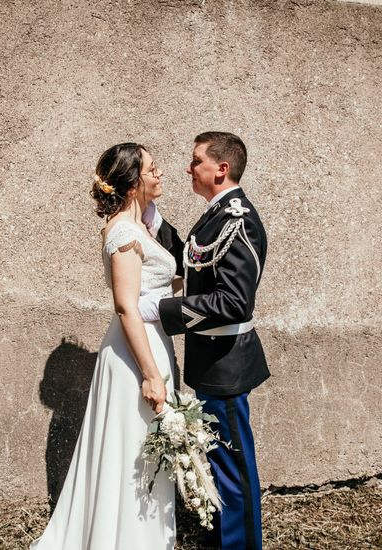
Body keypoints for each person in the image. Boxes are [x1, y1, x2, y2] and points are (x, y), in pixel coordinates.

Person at [31, 143, 177, 549]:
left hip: (149, 342)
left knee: (145, 447)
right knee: (133, 450)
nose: (160, 174)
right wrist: (150, 374)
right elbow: (126, 307)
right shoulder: (125, 233)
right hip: (135, 352)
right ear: (132, 182)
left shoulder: (141, 226)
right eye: (152, 168)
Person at [140, 132, 269, 550]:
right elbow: (196, 261)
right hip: (211, 361)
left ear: (221, 169)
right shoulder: (216, 215)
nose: (188, 168)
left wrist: (164, 311)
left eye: (196, 161)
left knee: (234, 469)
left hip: (227, 363)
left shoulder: (238, 220)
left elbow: (233, 302)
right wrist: (156, 223)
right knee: (218, 463)